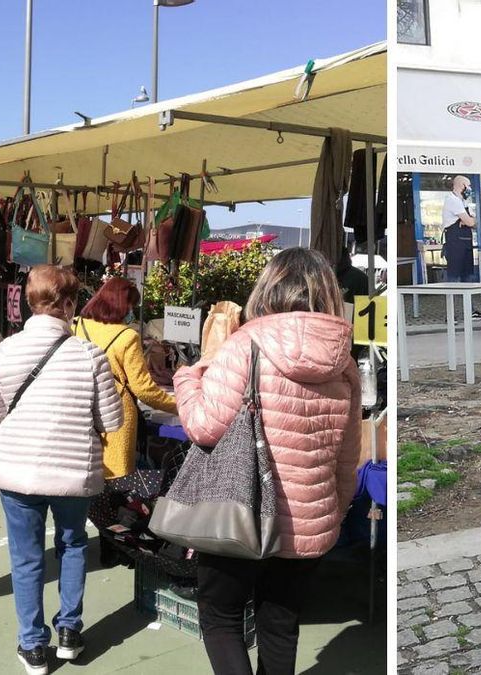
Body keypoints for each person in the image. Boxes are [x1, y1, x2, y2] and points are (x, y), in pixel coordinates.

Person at [174, 247, 362, 675]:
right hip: (308, 518)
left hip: (239, 512)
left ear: (268, 288)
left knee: (221, 618)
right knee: (280, 625)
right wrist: (332, 512)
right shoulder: (344, 362)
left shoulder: (244, 345)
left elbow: (204, 426)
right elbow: (347, 458)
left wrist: (187, 377)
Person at [0, 265, 122, 675]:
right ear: (68, 304)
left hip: (17, 472)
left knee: (26, 559)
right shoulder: (89, 354)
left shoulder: (5, 350)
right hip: (72, 473)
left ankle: (32, 645)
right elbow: (111, 420)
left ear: (29, 302)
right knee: (73, 545)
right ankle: (69, 632)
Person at [73, 277, 178, 566]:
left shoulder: (76, 326)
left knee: (82, 479)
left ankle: (74, 542)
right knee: (116, 486)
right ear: (122, 304)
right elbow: (144, 389)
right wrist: (179, 404)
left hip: (81, 409)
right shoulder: (125, 337)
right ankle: (115, 548)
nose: (133, 311)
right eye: (131, 305)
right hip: (117, 416)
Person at [441, 175, 481, 319]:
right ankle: (450, 315)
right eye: (469, 186)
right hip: (455, 245)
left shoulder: (462, 202)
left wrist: (468, 221)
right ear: (462, 185)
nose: (470, 189)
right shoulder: (453, 201)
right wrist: (467, 221)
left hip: (465, 244)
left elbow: (474, 221)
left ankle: (470, 311)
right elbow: (470, 222)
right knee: (453, 280)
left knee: (467, 278)